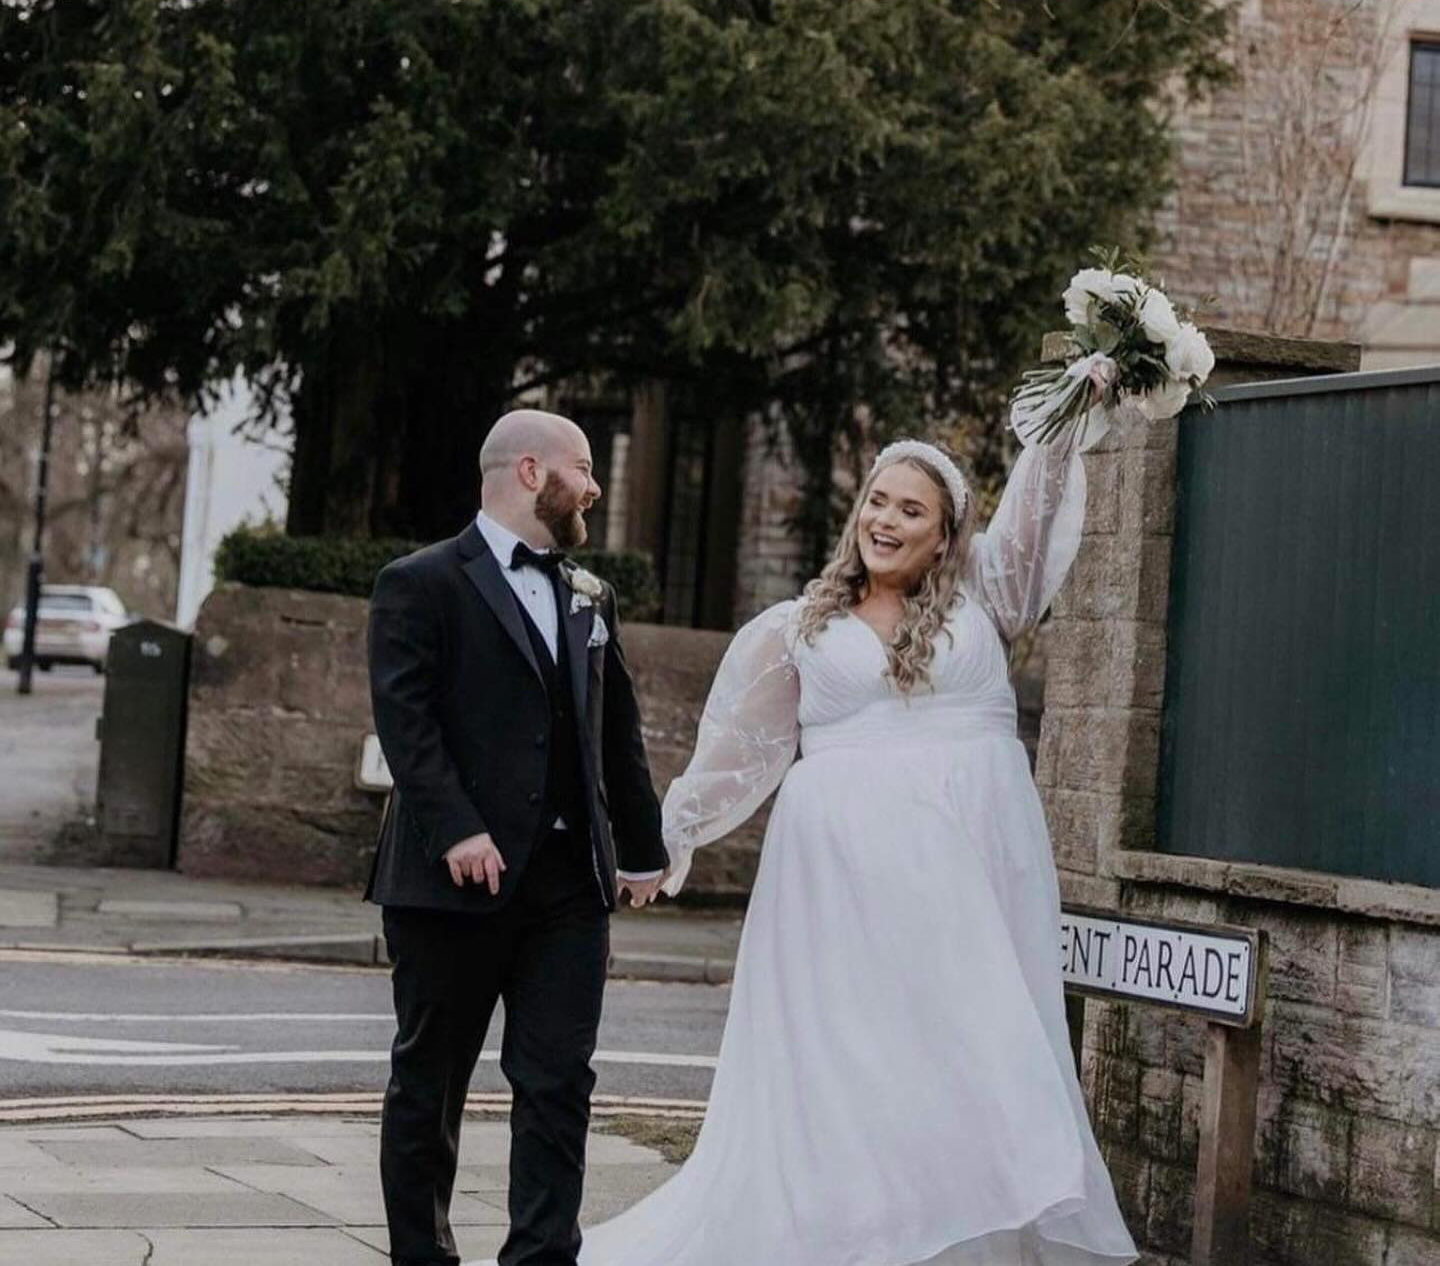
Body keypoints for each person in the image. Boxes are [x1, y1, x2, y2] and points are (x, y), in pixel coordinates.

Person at [495, 391, 1139, 1266]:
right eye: (876, 500)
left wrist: (1070, 415)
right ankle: (854, 1234)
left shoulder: (989, 593)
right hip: (841, 883)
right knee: (855, 1059)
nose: (885, 519)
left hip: (973, 870)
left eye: (911, 510)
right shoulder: (798, 628)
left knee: (973, 1047)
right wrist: (660, 847)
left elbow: (1035, 506)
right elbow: (734, 754)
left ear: (946, 535)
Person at [366, 408, 669, 1266]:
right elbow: (406, 721)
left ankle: (540, 1259)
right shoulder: (419, 582)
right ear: (532, 473)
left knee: (558, 1085)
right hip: (451, 884)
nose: (596, 485)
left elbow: (618, 735)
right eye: (583, 466)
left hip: (568, 889)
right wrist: (457, 828)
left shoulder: (588, 592)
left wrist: (641, 850)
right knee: (431, 1083)